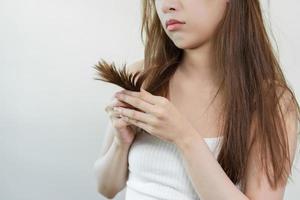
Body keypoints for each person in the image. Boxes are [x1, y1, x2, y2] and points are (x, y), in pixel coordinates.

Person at [93, 0, 300, 199]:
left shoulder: (272, 103)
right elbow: (106, 187)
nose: (167, 5)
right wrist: (121, 143)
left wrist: (184, 137)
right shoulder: (143, 77)